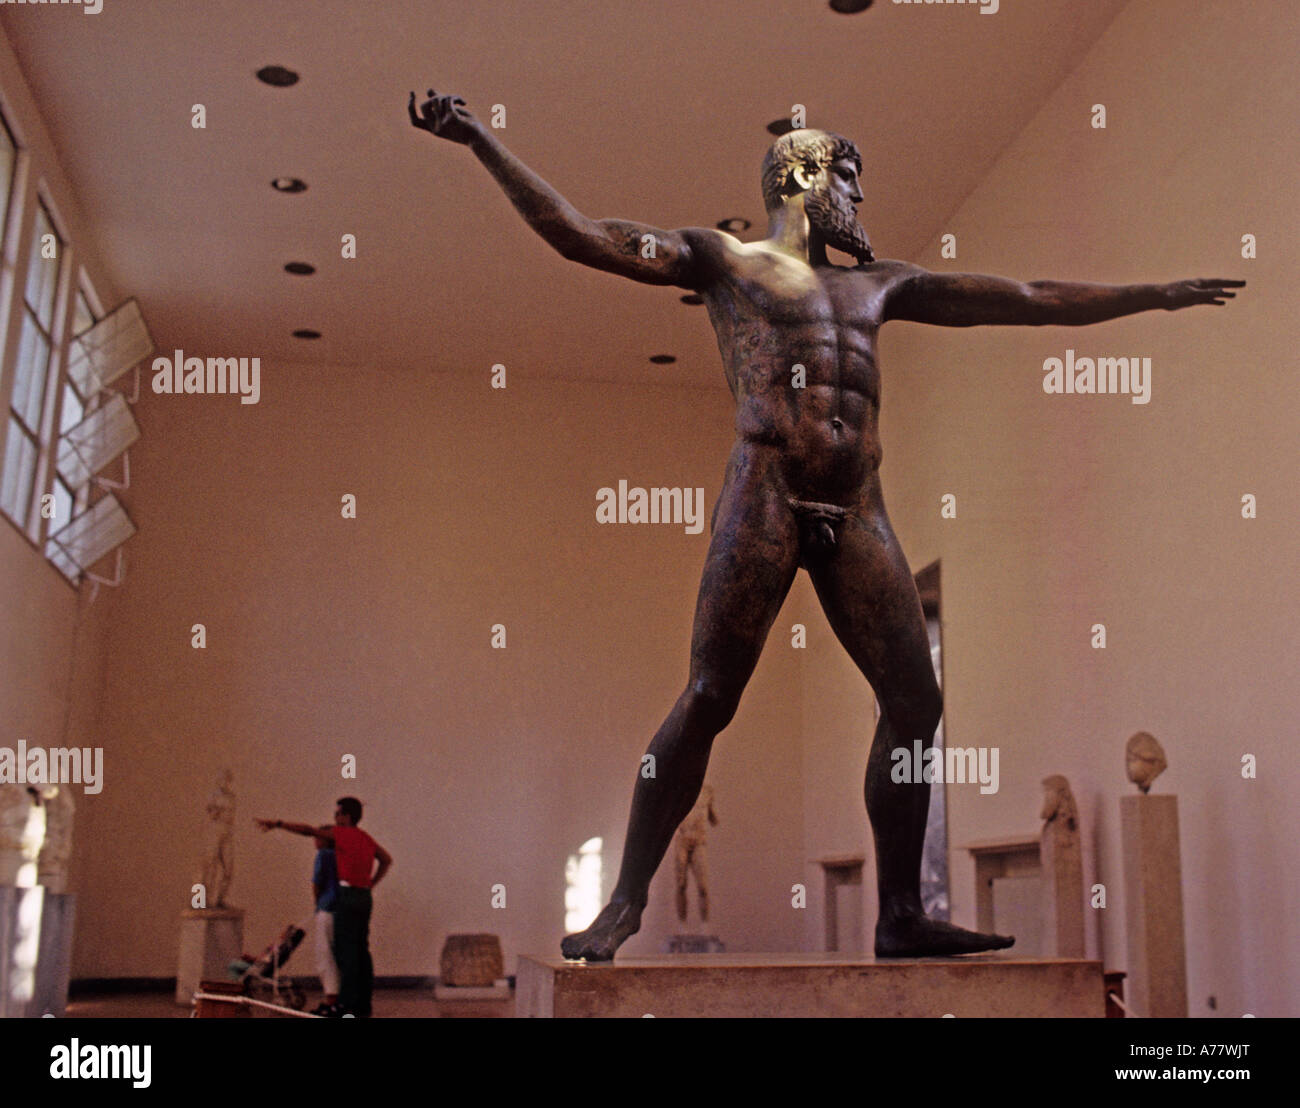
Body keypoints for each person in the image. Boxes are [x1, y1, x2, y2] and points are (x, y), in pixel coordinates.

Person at [408, 89, 1242, 962]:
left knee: (917, 705)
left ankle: (898, 915)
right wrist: (481, 141)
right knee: (709, 698)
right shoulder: (722, 260)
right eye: (851, 178)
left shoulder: (878, 286)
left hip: (858, 504)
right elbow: (583, 234)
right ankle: (623, 902)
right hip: (765, 490)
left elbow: (1025, 295)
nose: (861, 199)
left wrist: (1154, 294)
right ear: (804, 175)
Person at [257, 798, 391, 1016]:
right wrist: (371, 883)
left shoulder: (342, 834)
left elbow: (308, 831)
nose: (335, 819)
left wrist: (278, 824)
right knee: (361, 952)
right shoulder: (366, 838)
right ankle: (362, 1004)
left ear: (346, 817)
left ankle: (344, 1005)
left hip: (347, 896)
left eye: (337, 814)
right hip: (364, 896)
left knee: (344, 952)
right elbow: (386, 859)